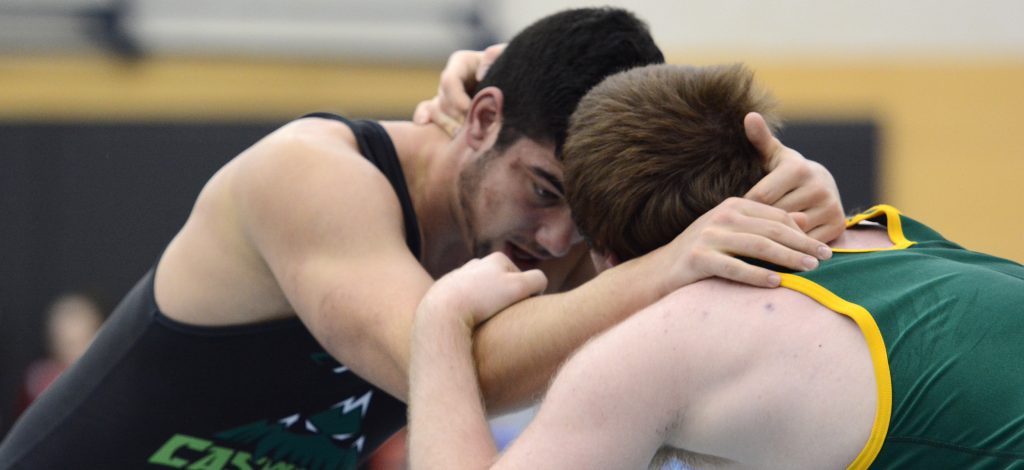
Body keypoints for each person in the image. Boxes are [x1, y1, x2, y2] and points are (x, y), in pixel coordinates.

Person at [0, 9, 842, 469]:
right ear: (481, 120)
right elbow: (454, 372)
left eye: (583, 218)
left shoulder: (539, 215)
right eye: (544, 191)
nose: (556, 243)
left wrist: (795, 187)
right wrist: (668, 264)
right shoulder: (311, 176)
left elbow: (721, 248)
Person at [407, 63, 1024, 469]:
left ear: (608, 256)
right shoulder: (892, 235)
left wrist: (439, 320)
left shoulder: (666, 341)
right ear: (770, 162)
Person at [14, 292, 105, 417]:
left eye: (81, 341)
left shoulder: (104, 377)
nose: (73, 351)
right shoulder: (38, 382)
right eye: (68, 342)